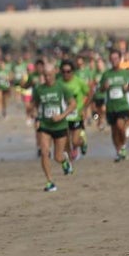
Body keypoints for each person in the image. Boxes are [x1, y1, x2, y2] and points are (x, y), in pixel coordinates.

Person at [31, 62, 77, 192]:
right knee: (45, 152)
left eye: (50, 75)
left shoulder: (62, 88)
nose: (47, 78)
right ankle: (50, 181)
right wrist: (36, 118)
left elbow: (73, 104)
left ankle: (64, 161)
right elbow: (34, 105)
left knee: (57, 157)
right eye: (45, 75)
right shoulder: (39, 89)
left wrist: (62, 116)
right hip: (45, 125)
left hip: (60, 126)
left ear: (55, 73)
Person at [98, 49, 129, 161]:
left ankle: (122, 146)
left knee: (120, 127)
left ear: (120, 59)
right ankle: (118, 151)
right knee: (114, 130)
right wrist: (105, 87)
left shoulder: (126, 73)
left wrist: (127, 88)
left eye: (116, 59)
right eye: (112, 59)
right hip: (111, 106)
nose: (114, 61)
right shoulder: (106, 74)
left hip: (123, 105)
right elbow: (101, 90)